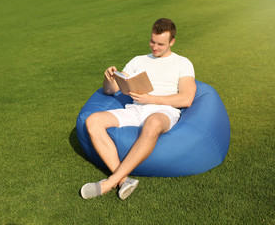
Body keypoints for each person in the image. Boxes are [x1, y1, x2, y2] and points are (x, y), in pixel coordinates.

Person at [80, 18, 196, 200]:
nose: (154, 47)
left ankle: (109, 183)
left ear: (172, 41)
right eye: (152, 41)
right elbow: (110, 91)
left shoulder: (182, 63)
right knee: (92, 121)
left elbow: (187, 98)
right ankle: (123, 180)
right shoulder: (138, 61)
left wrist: (152, 99)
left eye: (160, 44)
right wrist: (109, 79)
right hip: (136, 109)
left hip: (164, 111)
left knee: (153, 123)